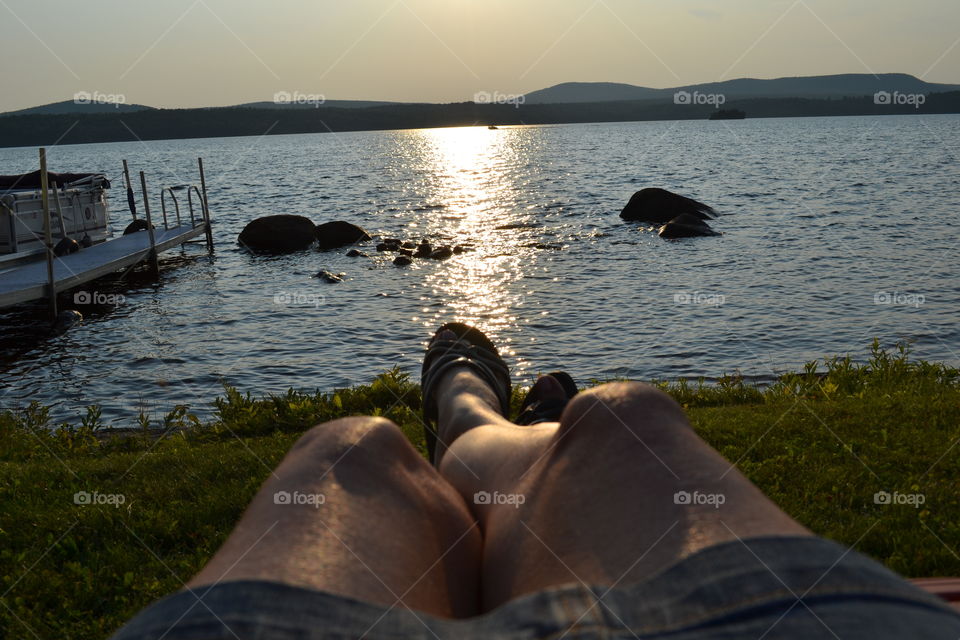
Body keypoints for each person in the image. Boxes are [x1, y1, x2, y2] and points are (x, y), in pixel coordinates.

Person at [113, 323, 960, 639]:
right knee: (627, 420)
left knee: (353, 450)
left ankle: (464, 406)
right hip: (782, 615)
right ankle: (518, 421)